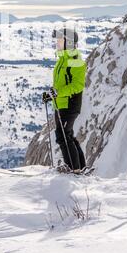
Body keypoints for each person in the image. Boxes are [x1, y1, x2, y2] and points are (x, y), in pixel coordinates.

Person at [43, 28, 87, 172]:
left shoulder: (75, 61)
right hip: (61, 103)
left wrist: (58, 92)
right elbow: (61, 84)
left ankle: (73, 169)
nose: (57, 43)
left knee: (63, 137)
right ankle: (79, 167)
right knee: (67, 135)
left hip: (70, 103)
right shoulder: (63, 59)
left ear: (68, 43)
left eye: (60, 40)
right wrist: (51, 94)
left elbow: (77, 85)